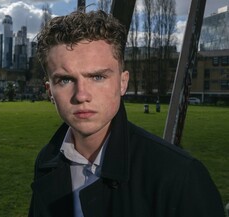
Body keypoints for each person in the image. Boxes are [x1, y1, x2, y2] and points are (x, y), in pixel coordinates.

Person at [28, 10, 224, 217]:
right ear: (50, 91)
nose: (81, 95)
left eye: (97, 77)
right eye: (65, 80)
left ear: (123, 83)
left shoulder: (181, 176)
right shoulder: (47, 160)